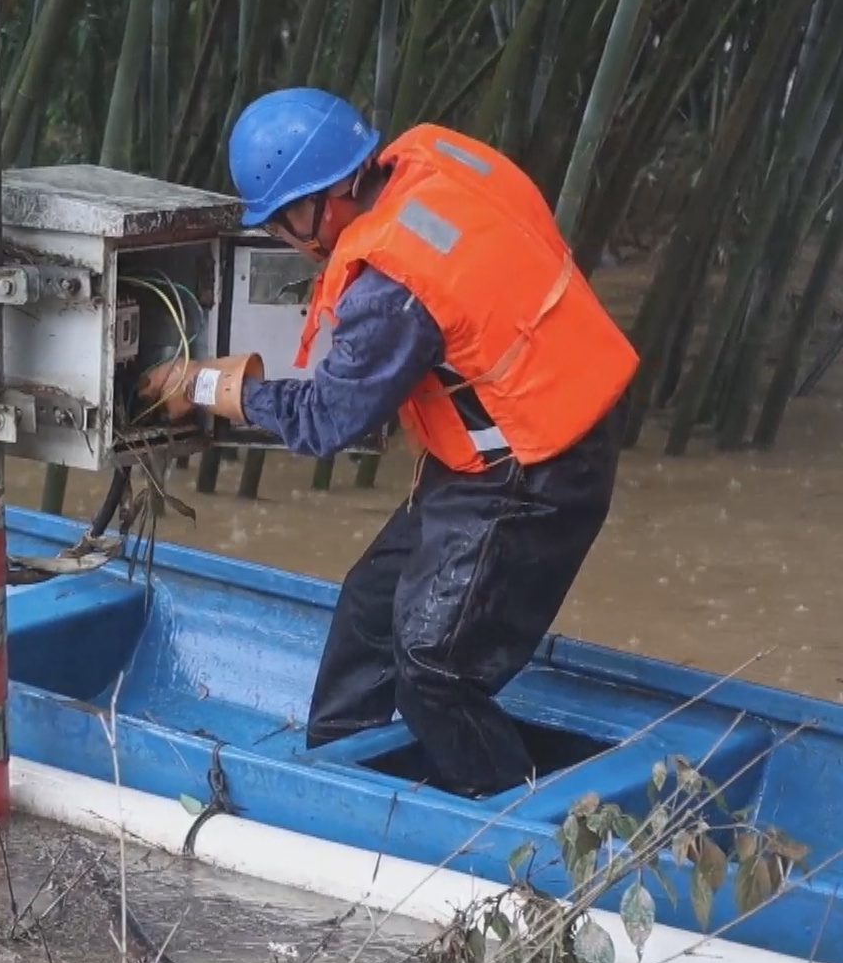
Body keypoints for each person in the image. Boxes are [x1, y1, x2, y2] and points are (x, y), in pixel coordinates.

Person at [138, 86, 639, 799]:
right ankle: (337, 787)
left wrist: (208, 387)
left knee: (434, 668)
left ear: (323, 202)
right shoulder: (432, 159)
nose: (285, 241)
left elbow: (326, 422)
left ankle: (517, 825)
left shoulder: (390, 286)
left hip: (536, 468)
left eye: (281, 225)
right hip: (505, 438)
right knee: (370, 611)